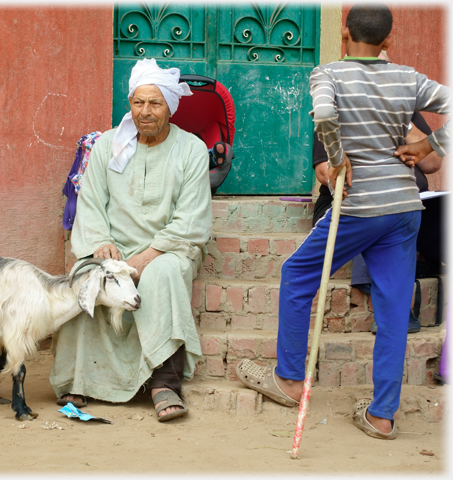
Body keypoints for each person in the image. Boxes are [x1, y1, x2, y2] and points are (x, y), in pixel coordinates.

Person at [237, 3, 449, 440]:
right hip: (405, 207)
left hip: (358, 206)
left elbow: (326, 116)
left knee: (297, 274)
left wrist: (338, 159)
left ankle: (291, 379)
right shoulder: (408, 78)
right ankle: (381, 415)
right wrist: (427, 144)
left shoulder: (328, 74)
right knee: (392, 309)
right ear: (389, 40)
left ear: (343, 33)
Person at [49, 58, 213, 422]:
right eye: (138, 103)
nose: (146, 112)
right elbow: (90, 202)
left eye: (155, 103)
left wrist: (146, 257)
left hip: (169, 247)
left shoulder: (191, 150)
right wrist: (100, 242)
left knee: (163, 274)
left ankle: (164, 381)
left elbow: (191, 219)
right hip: (114, 246)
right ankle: (82, 377)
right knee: (87, 274)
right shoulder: (109, 145)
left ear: (169, 106)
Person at [311, 111, 444, 334]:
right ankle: (394, 309)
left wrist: (402, 123)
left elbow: (432, 162)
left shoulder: (404, 107)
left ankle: (428, 258)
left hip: (410, 204)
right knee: (381, 213)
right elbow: (324, 172)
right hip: (352, 203)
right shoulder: (336, 110)